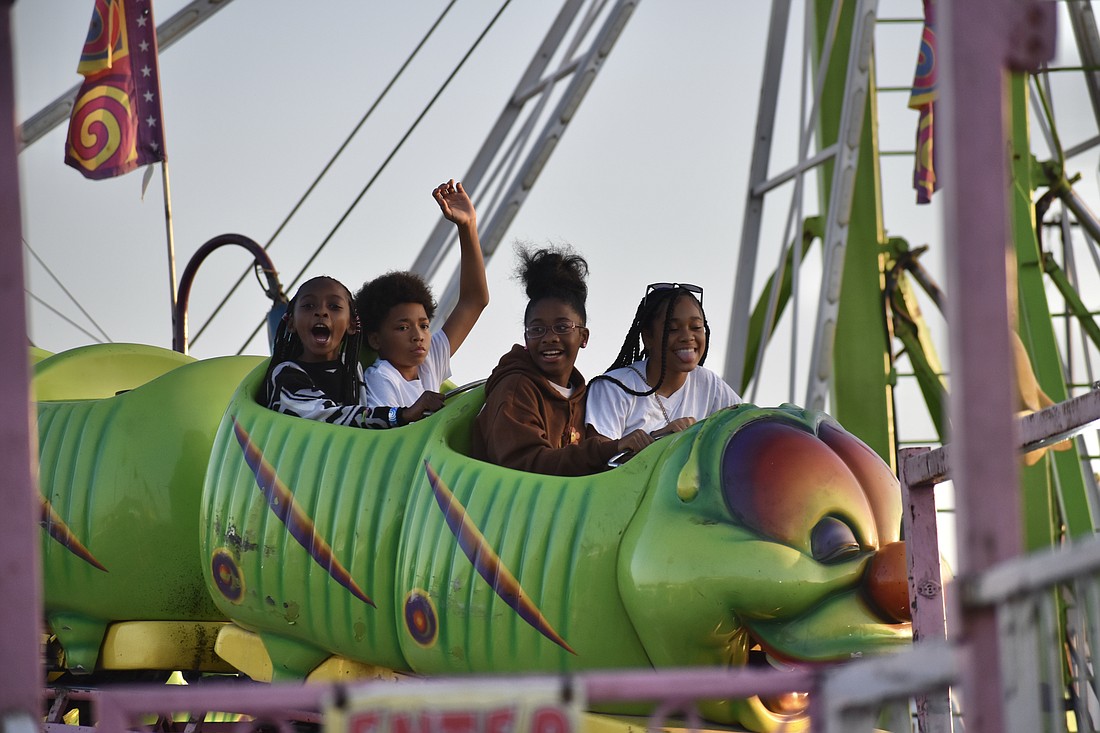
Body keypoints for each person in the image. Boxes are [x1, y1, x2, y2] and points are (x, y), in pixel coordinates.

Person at [471, 246, 651, 475]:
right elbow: (528, 466)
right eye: (537, 329)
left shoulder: (585, 397)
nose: (550, 338)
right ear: (526, 337)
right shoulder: (516, 388)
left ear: (583, 337)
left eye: (563, 327)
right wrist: (609, 449)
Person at [356, 179, 489, 426]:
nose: (418, 336)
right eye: (403, 328)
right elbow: (387, 433)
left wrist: (467, 226)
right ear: (375, 339)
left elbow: (474, 300)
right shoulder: (381, 378)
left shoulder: (429, 360)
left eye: (424, 325)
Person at [586, 282, 741, 440]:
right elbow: (598, 459)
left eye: (696, 327)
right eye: (672, 329)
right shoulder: (613, 388)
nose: (687, 337)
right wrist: (661, 439)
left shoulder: (709, 384)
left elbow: (749, 425)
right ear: (648, 337)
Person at [264, 275, 406, 428]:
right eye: (308, 306)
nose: (321, 312)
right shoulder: (284, 375)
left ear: (351, 325)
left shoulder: (353, 369)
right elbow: (330, 416)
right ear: (291, 323)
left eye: (334, 306)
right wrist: (399, 415)